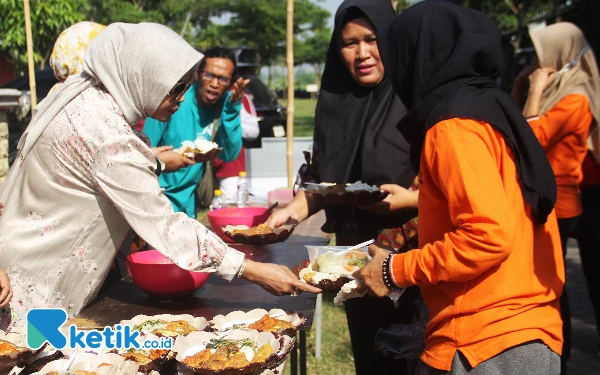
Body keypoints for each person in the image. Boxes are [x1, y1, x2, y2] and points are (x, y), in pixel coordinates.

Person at [0, 22, 319, 332]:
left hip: (18, 256)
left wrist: (155, 162)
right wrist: (253, 270)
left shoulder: (78, 92)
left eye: (186, 85)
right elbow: (165, 224)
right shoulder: (107, 133)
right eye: (175, 86)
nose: (182, 98)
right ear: (143, 75)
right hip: (36, 287)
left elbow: (92, 164)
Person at [356, 1, 564, 374]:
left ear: (420, 57)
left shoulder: (452, 126)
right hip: (525, 328)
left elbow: (488, 236)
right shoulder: (490, 108)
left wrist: (396, 270)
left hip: (485, 338)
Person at [267, 0, 422, 373]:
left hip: (414, 256)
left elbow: (450, 183)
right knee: (371, 357)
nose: (363, 53)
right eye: (350, 43)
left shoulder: (416, 99)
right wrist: (289, 212)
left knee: (416, 358)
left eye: (372, 39)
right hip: (354, 260)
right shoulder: (336, 103)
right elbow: (323, 183)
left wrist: (411, 200)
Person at [512, 22, 600, 371]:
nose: (535, 61)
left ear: (560, 54)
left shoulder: (575, 96)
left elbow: (530, 142)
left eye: (541, 52)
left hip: (560, 206)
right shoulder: (557, 91)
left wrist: (533, 91)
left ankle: (557, 359)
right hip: (546, 203)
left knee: (554, 289)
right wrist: (521, 88)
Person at [143, 47, 247, 217]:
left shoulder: (223, 107)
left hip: (189, 209)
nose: (214, 84)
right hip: (157, 205)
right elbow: (143, 154)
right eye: (209, 75)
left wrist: (232, 111)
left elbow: (229, 155)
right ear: (198, 74)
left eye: (223, 79)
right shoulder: (173, 100)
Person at [213, 92, 260, 202]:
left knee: (231, 205)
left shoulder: (241, 96)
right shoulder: (197, 93)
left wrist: (231, 126)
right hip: (199, 164)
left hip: (229, 166)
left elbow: (253, 131)